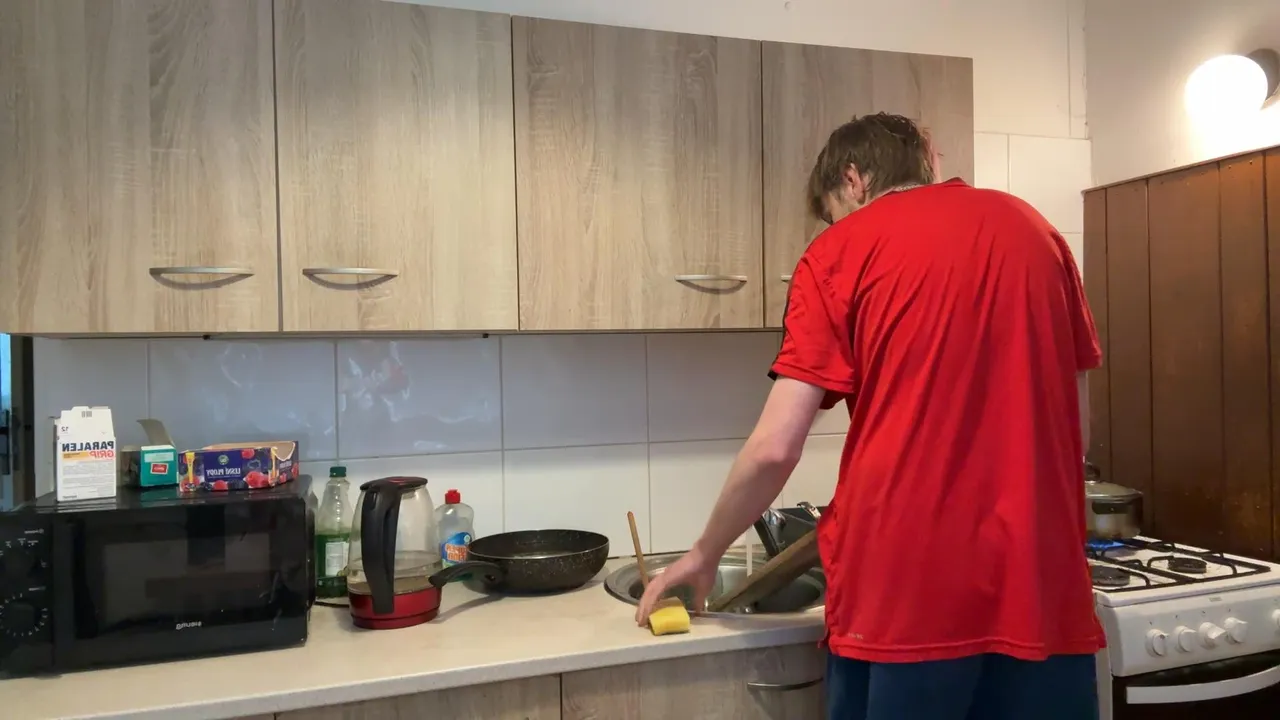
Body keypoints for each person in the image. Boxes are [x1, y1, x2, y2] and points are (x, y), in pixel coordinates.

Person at [635, 113, 1104, 720]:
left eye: (833, 212)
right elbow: (1076, 428)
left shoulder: (839, 252)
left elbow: (776, 447)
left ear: (852, 179)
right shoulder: (1037, 231)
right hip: (1042, 585)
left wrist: (704, 552)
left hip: (907, 595)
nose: (835, 225)